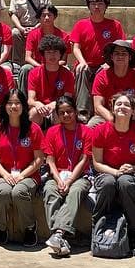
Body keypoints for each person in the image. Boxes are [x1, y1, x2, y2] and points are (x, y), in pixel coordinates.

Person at [89, 93, 135, 250]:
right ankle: (98, 226)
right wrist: (115, 172)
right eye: (118, 104)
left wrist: (133, 168)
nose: (122, 107)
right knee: (108, 183)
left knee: (125, 182)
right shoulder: (100, 130)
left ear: (133, 111)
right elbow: (97, 163)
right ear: (112, 109)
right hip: (106, 173)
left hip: (133, 175)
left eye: (127, 105)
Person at [0, 88, 45, 247]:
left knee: (19, 192)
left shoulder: (34, 129)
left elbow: (39, 159)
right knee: (4, 192)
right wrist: (5, 175)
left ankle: (29, 228)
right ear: (4, 106)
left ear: (24, 106)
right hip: (4, 174)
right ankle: (0, 227)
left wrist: (22, 175)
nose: (13, 106)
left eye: (17, 103)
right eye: (10, 103)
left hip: (28, 175)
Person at [41, 96, 91, 258]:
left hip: (80, 176)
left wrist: (69, 181)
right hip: (57, 175)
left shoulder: (86, 131)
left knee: (75, 191)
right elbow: (50, 160)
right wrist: (58, 179)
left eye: (69, 111)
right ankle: (60, 238)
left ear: (75, 112)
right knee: (50, 190)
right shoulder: (52, 132)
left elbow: (84, 159)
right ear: (57, 115)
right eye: (61, 113)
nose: (66, 115)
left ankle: (58, 234)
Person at [70, 0, 125, 118]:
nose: (96, 7)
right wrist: (82, 62)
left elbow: (119, 47)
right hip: (86, 64)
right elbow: (76, 47)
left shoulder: (115, 25)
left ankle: (106, 109)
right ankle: (82, 112)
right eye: (93, 4)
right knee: (82, 70)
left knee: (106, 71)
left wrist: (109, 63)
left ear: (106, 7)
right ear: (88, 6)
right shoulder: (80, 24)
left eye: (100, 4)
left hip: (106, 64)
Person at [92, 40, 135, 124]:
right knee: (92, 124)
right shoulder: (101, 76)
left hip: (133, 116)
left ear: (129, 57)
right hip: (108, 116)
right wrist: (113, 119)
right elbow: (98, 106)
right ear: (112, 57)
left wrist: (128, 118)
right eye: (117, 53)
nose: (120, 56)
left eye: (124, 54)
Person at [26, 35, 76, 126]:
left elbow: (67, 99)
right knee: (33, 113)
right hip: (41, 109)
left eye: (55, 52)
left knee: (60, 112)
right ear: (43, 54)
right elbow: (30, 100)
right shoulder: (34, 73)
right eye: (48, 52)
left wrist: (55, 104)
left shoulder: (68, 74)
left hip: (57, 108)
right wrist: (37, 104)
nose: (52, 55)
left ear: (60, 54)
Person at [8, 0, 52, 64]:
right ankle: (17, 63)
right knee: (14, 33)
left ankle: (41, 62)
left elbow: (48, 13)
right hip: (22, 27)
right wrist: (21, 28)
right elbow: (12, 14)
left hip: (40, 26)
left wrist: (36, 28)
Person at [21, 4, 69, 89]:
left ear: (55, 17)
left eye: (49, 15)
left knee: (66, 70)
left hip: (56, 65)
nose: (46, 18)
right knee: (25, 68)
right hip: (37, 65)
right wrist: (41, 67)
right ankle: (23, 97)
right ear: (39, 18)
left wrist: (51, 66)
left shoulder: (64, 36)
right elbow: (27, 58)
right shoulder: (32, 34)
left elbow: (63, 60)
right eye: (43, 15)